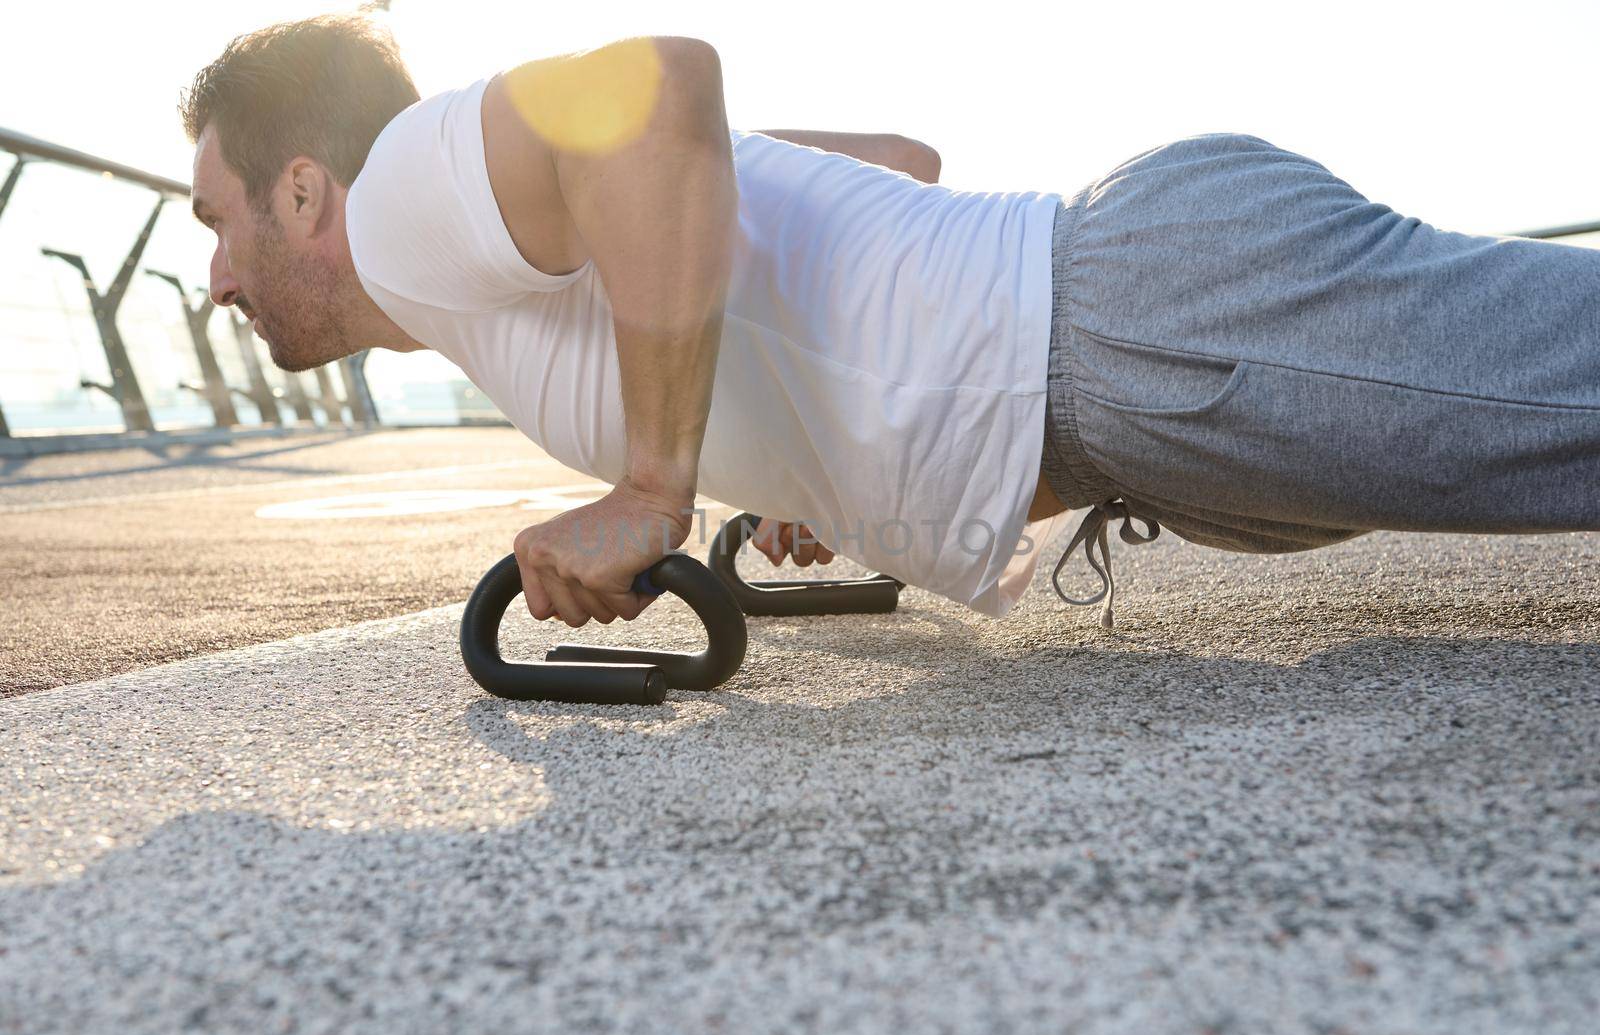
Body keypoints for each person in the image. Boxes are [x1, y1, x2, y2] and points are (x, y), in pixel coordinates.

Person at [181, 15, 1600, 632]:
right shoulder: (473, 276)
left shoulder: (410, 192)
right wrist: (812, 465)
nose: (216, 282)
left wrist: (654, 489)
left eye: (218, 226)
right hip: (1135, 376)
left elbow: (662, 87)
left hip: (1138, 331)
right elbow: (897, 165)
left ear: (302, 188)